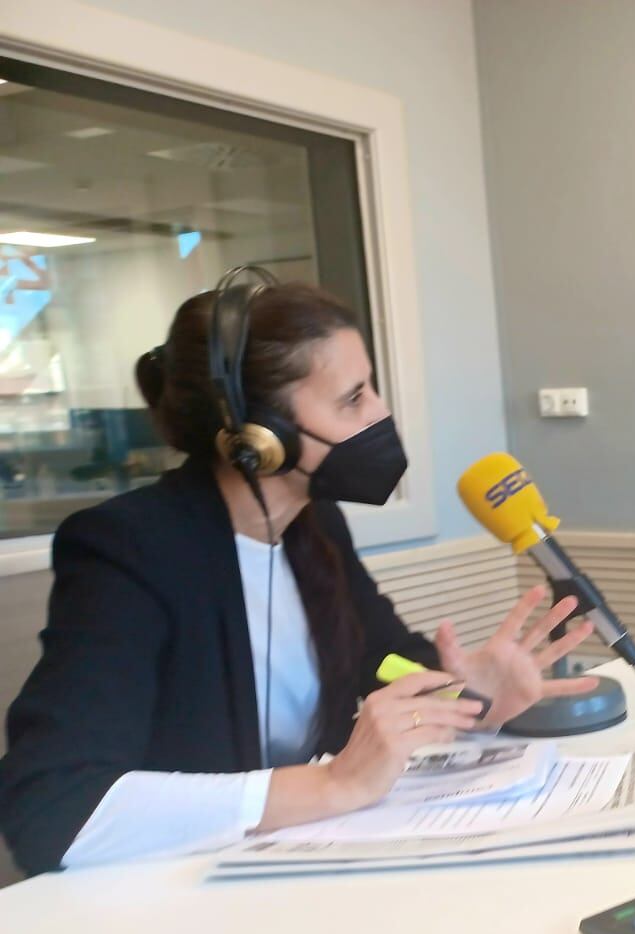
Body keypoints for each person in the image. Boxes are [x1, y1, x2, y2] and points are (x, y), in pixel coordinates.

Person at [0, 269, 596, 875]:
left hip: (302, 872)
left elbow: (386, 662)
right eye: (353, 399)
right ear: (262, 436)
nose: (382, 416)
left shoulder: (316, 529)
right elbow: (51, 808)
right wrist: (336, 784)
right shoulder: (131, 547)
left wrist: (469, 692)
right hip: (176, 900)